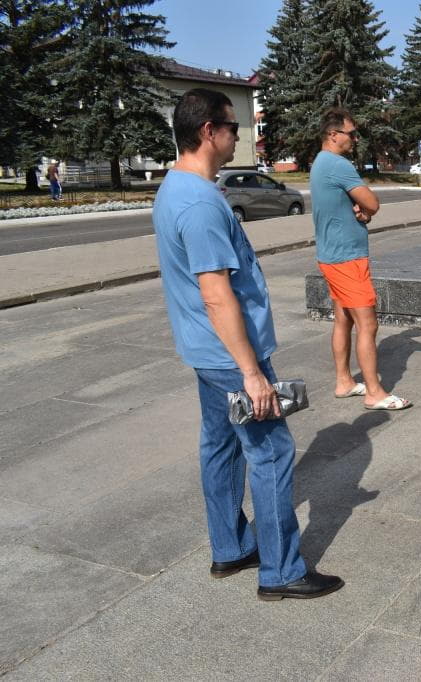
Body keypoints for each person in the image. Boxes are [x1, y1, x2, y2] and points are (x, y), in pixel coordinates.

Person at [152, 88, 341, 600]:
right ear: (208, 131)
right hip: (231, 355)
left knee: (219, 447)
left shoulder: (175, 188)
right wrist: (253, 372)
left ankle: (231, 547)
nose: (241, 135)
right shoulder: (198, 204)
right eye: (234, 127)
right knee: (273, 453)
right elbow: (217, 296)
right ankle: (281, 571)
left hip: (204, 351)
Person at [311, 107, 411, 411]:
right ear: (333, 135)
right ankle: (374, 393)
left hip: (331, 255)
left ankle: (344, 381)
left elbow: (356, 207)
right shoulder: (338, 164)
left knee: (343, 320)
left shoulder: (319, 163)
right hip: (347, 258)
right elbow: (372, 202)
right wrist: (366, 208)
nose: (355, 138)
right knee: (368, 325)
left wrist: (360, 212)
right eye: (351, 133)